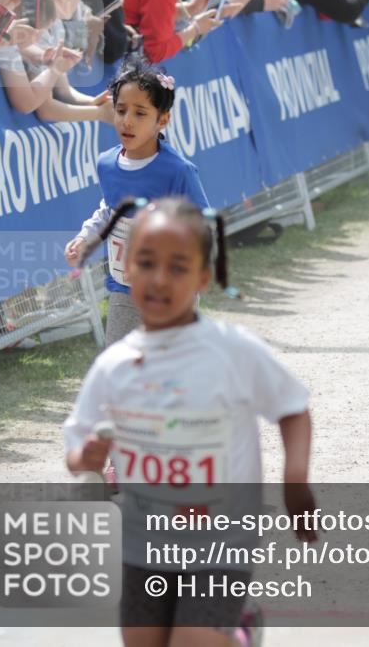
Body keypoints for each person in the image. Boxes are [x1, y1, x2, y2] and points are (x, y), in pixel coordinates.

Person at [63, 197, 315, 647]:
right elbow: (78, 447)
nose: (160, 279)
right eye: (146, 262)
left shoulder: (232, 350)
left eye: (178, 267)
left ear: (203, 277)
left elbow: (292, 407)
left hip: (222, 541)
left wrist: (295, 479)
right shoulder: (114, 365)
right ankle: (238, 625)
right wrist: (88, 456)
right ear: (126, 268)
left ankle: (233, 629)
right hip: (143, 542)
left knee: (194, 641)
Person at [65, 56, 212, 346]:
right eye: (121, 110)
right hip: (124, 289)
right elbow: (109, 211)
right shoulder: (107, 163)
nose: (127, 120)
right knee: (120, 363)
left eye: (140, 113)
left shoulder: (177, 170)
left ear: (163, 119)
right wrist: (85, 237)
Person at [121, 0, 225, 64]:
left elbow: (156, 12)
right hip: (126, 61)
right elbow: (155, 52)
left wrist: (191, 8)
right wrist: (196, 29)